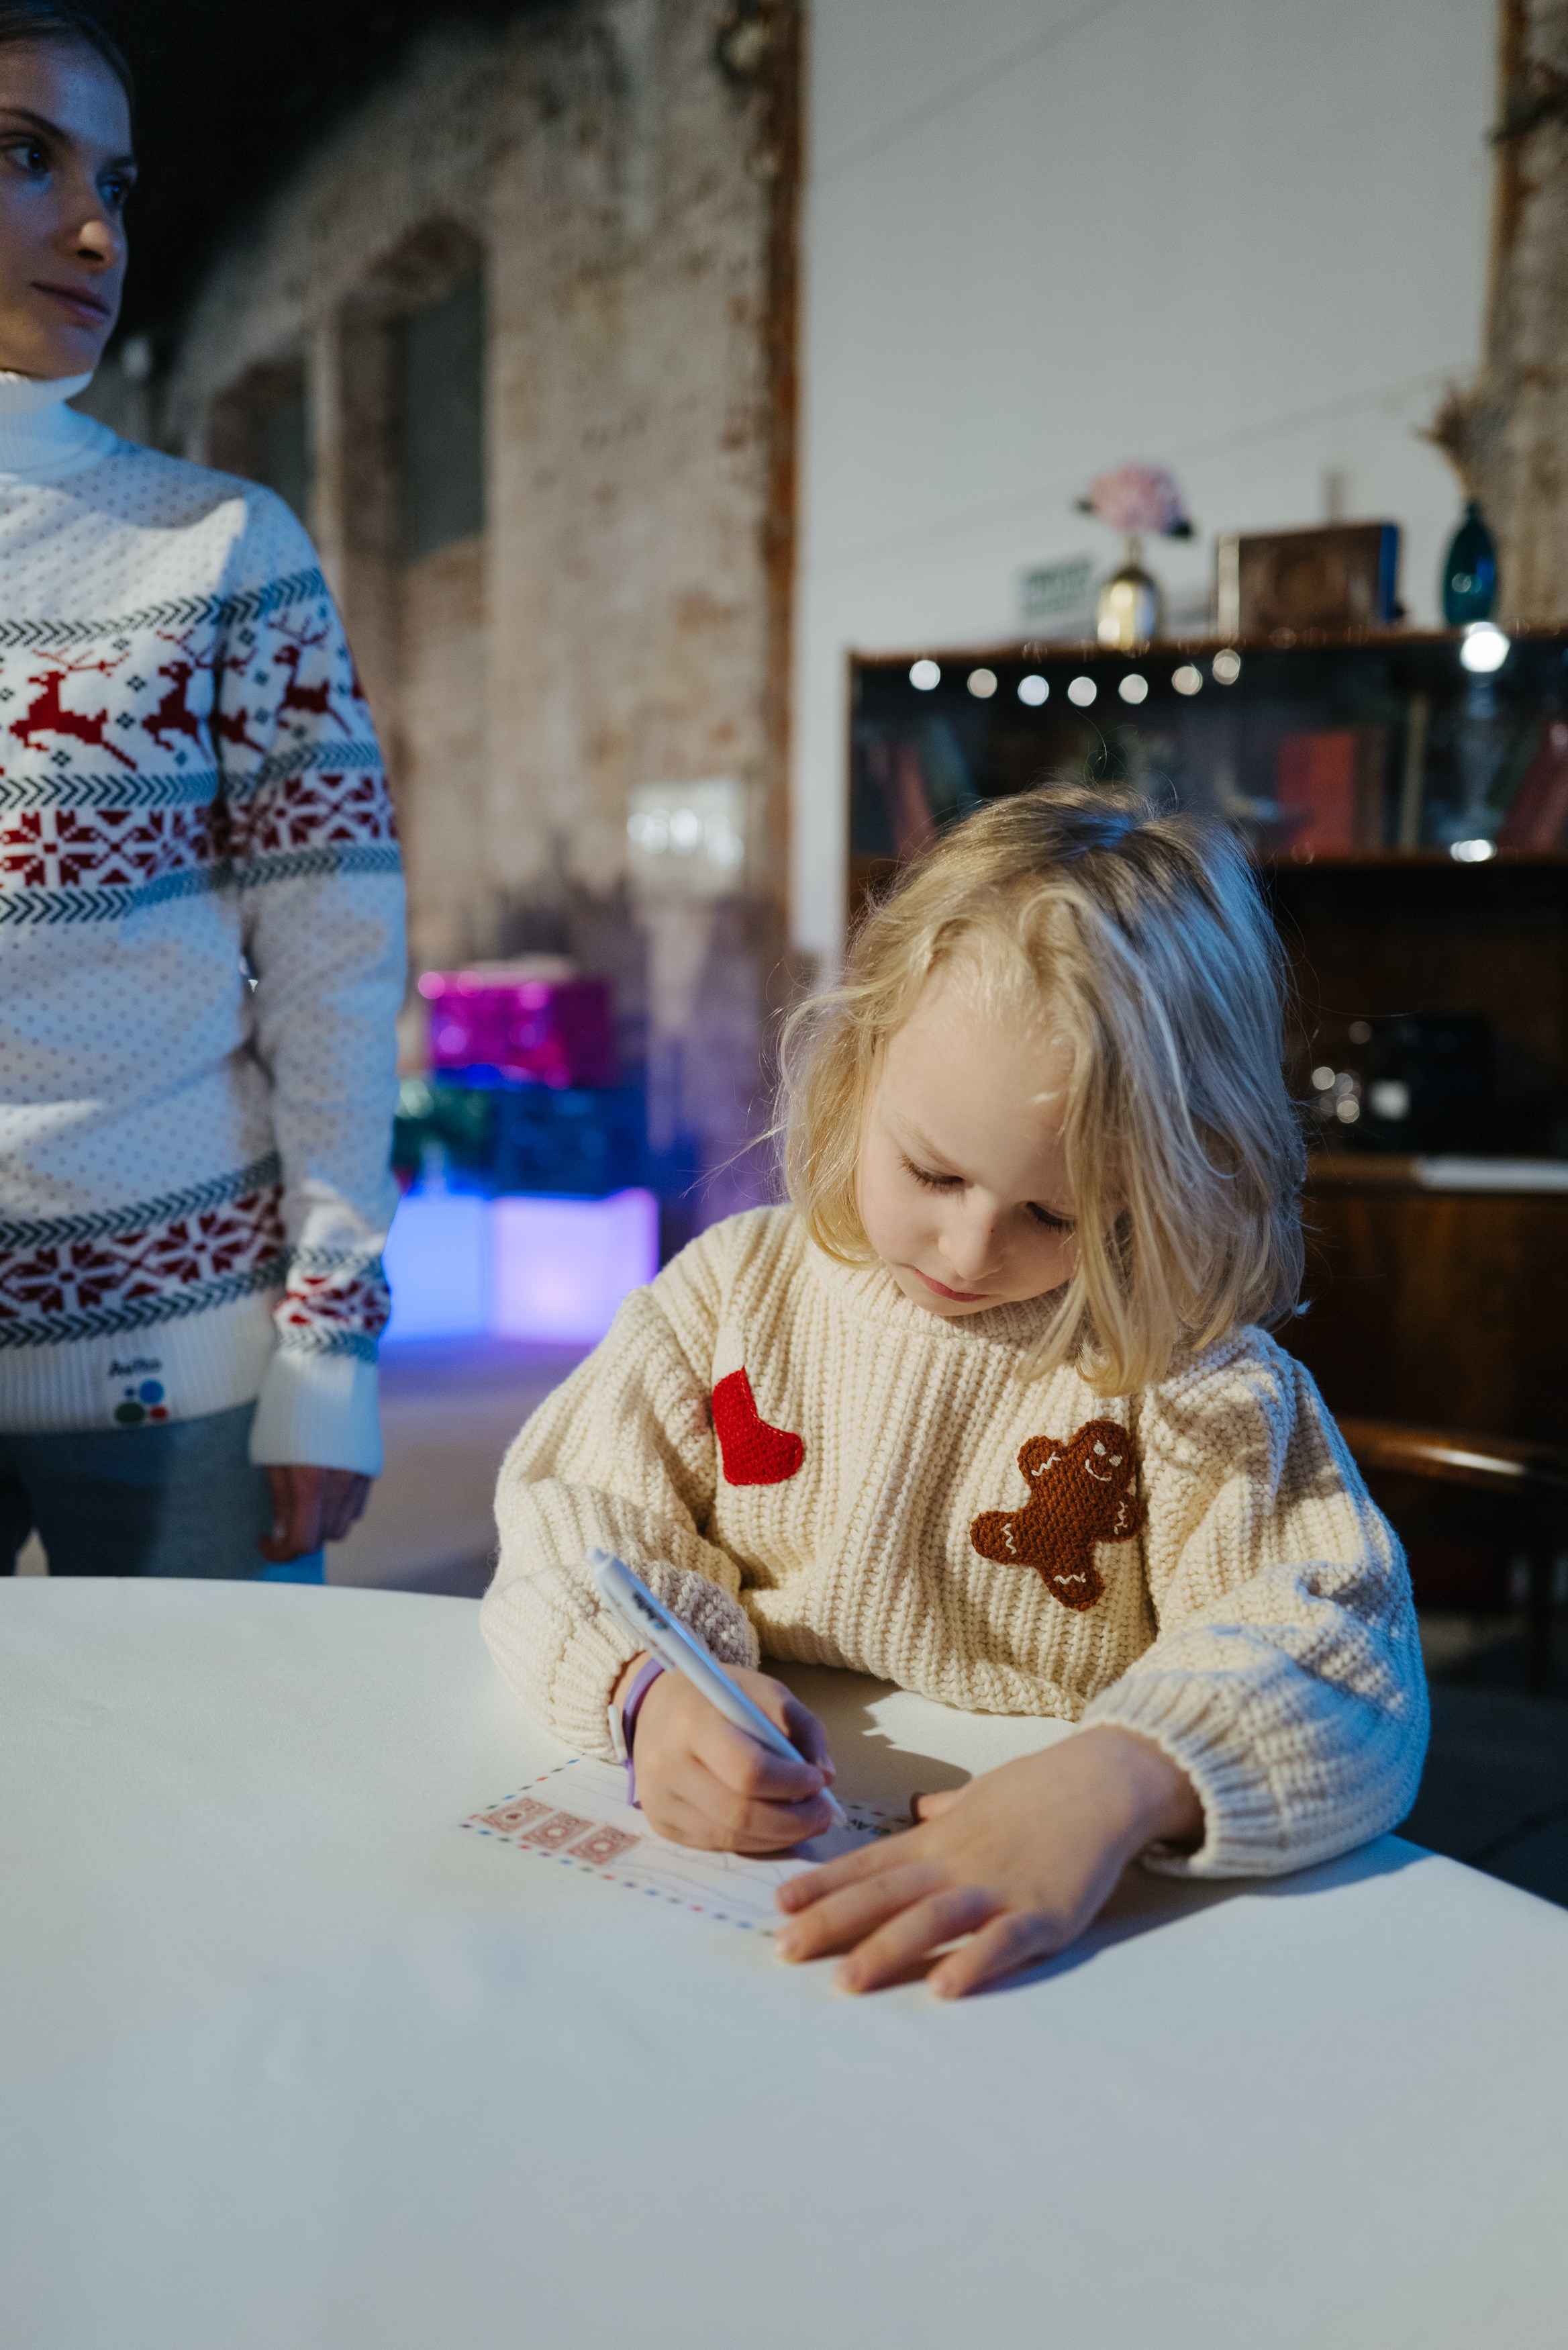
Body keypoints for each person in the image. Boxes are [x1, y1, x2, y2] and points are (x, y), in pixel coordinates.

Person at [481, 784, 1428, 1996]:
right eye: (933, 1172)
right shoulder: (731, 1296)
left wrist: (1127, 1776)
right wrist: (651, 1688)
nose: (972, 1252)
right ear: (858, 1067)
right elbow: (572, 1521)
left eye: (1058, 1214)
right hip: (723, 1915)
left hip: (1060, 1944)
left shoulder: (1193, 1382)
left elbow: (1348, 1654)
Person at [0, 3, 404, 1579]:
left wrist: (331, 1345)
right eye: (25, 158)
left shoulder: (222, 550)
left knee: (220, 1748)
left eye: (115, 181)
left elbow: (333, 968)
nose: (98, 230)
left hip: (185, 1372)